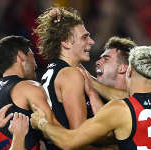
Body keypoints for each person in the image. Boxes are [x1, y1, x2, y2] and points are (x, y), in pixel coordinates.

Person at [31, 46, 151, 150]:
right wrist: (92, 83)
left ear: (129, 71)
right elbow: (134, 97)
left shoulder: (119, 109)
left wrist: (42, 123)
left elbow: (69, 142)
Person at [0, 35, 60, 150]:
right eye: (32, 57)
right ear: (21, 56)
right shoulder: (28, 87)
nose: (36, 64)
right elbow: (54, 131)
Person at [33, 7, 95, 149]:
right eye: (84, 37)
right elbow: (79, 138)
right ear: (65, 42)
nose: (91, 42)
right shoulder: (70, 75)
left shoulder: (51, 72)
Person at [83, 36, 136, 114]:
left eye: (106, 59)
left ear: (122, 68)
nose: (97, 62)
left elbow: (130, 100)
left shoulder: (144, 102)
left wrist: (90, 81)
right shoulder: (87, 95)